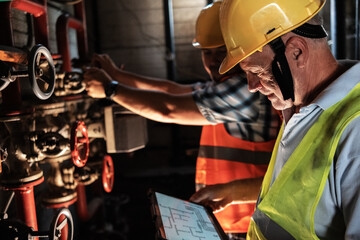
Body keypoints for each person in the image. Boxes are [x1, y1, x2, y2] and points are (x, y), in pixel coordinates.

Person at [83, 1, 280, 238]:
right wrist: (117, 76)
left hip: (247, 225)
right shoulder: (226, 85)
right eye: (206, 52)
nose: (212, 61)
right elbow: (172, 90)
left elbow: (169, 109)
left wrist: (110, 89)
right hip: (231, 220)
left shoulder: (245, 90)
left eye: (221, 51)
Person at [217, 0, 360, 239]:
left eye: (258, 72)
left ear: (297, 52)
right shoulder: (300, 109)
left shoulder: (354, 130)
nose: (252, 86)